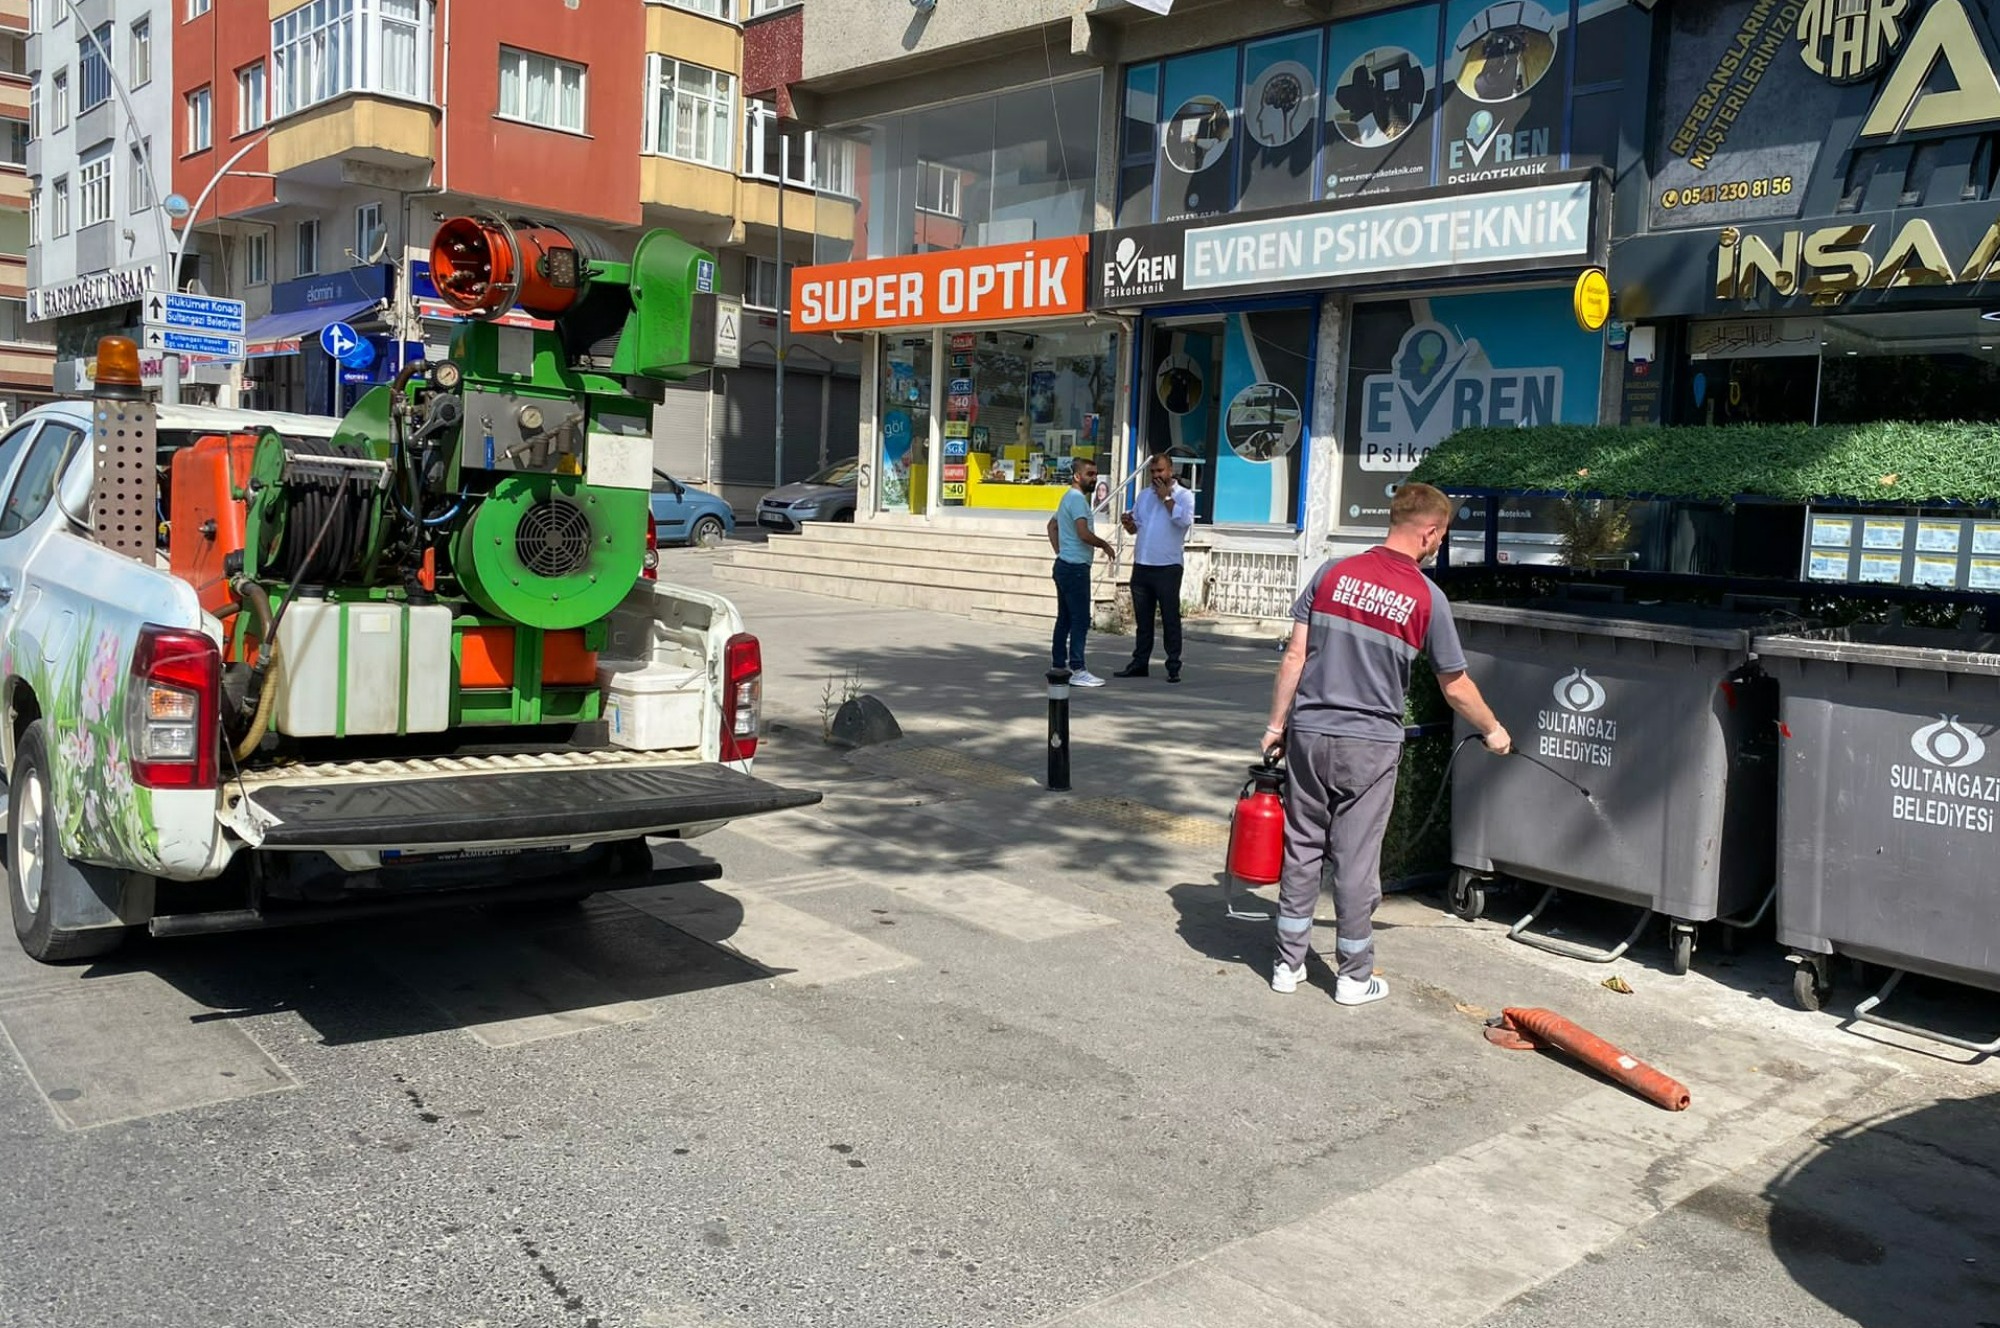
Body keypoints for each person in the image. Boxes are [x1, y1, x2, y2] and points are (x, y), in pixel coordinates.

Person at [1259, 482, 1511, 1006]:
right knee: (1354, 858)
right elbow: (1455, 686)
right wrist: (1492, 729)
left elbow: (1294, 657)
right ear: (1430, 531)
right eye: (1441, 536)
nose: (1439, 545)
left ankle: (1287, 964)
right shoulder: (1426, 596)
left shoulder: (1331, 573)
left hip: (1309, 732)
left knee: (1303, 846)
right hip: (1369, 744)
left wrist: (1276, 726)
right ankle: (1353, 976)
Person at [1117, 453, 1196, 682]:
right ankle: (1140, 662)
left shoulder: (1184, 496)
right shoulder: (1144, 496)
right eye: (1152, 472)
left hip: (1168, 566)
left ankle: (1173, 666)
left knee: (1170, 618)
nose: (1156, 476)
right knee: (1143, 620)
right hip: (1143, 565)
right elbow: (1137, 528)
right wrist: (1129, 524)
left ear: (1170, 470)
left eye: (1160, 471)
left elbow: (1183, 521)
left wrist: (1166, 499)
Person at [1046, 457, 1115, 687]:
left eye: (1096, 474)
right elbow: (1083, 533)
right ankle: (1077, 668)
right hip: (1074, 568)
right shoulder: (1077, 500)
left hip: (1065, 564)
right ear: (1077, 476)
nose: (1094, 479)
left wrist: (1060, 552)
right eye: (1090, 474)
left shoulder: (1067, 498)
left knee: (1065, 618)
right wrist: (1104, 544)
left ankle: (1058, 665)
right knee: (1080, 619)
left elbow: (1052, 526)